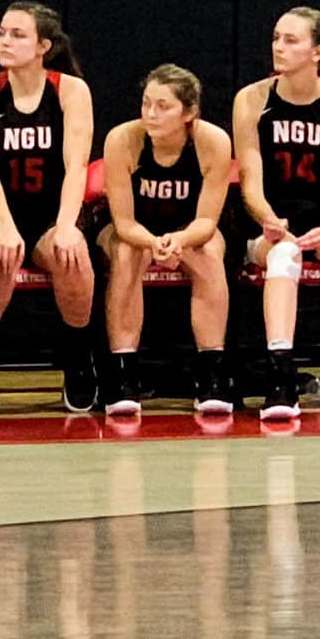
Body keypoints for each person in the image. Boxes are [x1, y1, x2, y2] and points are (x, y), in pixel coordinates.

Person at [230, 7, 320, 416]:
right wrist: (270, 220)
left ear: (318, 52)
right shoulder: (252, 99)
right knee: (283, 255)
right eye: (277, 37)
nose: (278, 46)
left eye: (291, 40)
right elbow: (250, 183)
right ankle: (281, 375)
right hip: (270, 224)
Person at [0, 3, 98, 414]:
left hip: (51, 214)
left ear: (43, 46)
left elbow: (77, 165)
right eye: (2, 32)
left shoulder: (71, 91)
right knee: (3, 257)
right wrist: (3, 224)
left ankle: (78, 356)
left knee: (71, 256)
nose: (5, 41)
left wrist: (68, 225)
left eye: (17, 35)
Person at [97, 65, 234, 416]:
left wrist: (180, 239)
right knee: (127, 252)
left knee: (209, 252)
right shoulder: (122, 140)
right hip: (134, 230)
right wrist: (152, 242)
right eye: (146, 104)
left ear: (189, 112)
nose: (150, 114)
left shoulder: (213, 142)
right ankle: (124, 374)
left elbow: (206, 220)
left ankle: (212, 373)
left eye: (163, 106)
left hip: (189, 230)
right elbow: (123, 221)